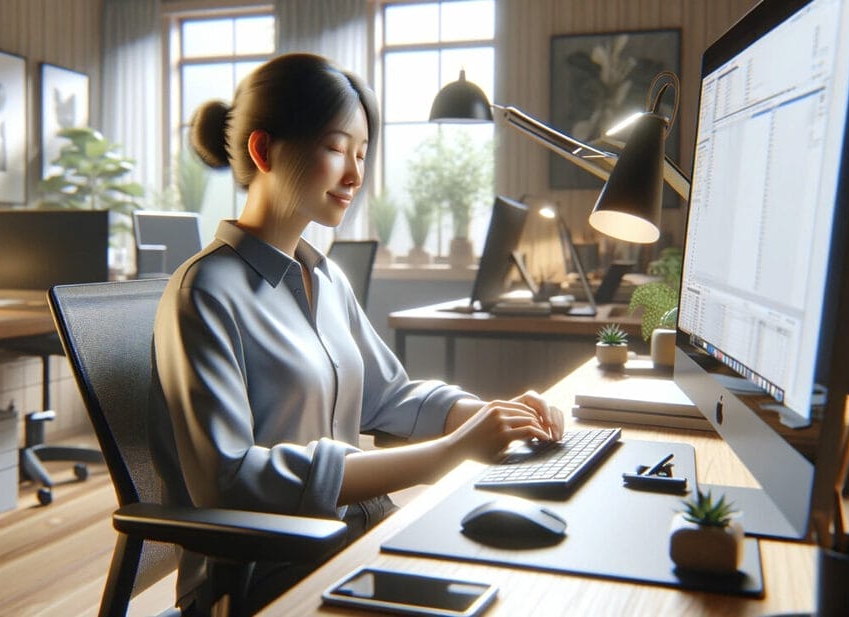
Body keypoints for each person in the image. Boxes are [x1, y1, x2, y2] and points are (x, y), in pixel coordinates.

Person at [150, 52, 564, 612]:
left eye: (362, 155)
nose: (355, 175)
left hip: (352, 540)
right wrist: (447, 454)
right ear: (264, 150)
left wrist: (492, 415)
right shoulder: (203, 292)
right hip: (267, 573)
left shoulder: (324, 276)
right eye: (336, 148)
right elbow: (229, 479)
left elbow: (389, 396)